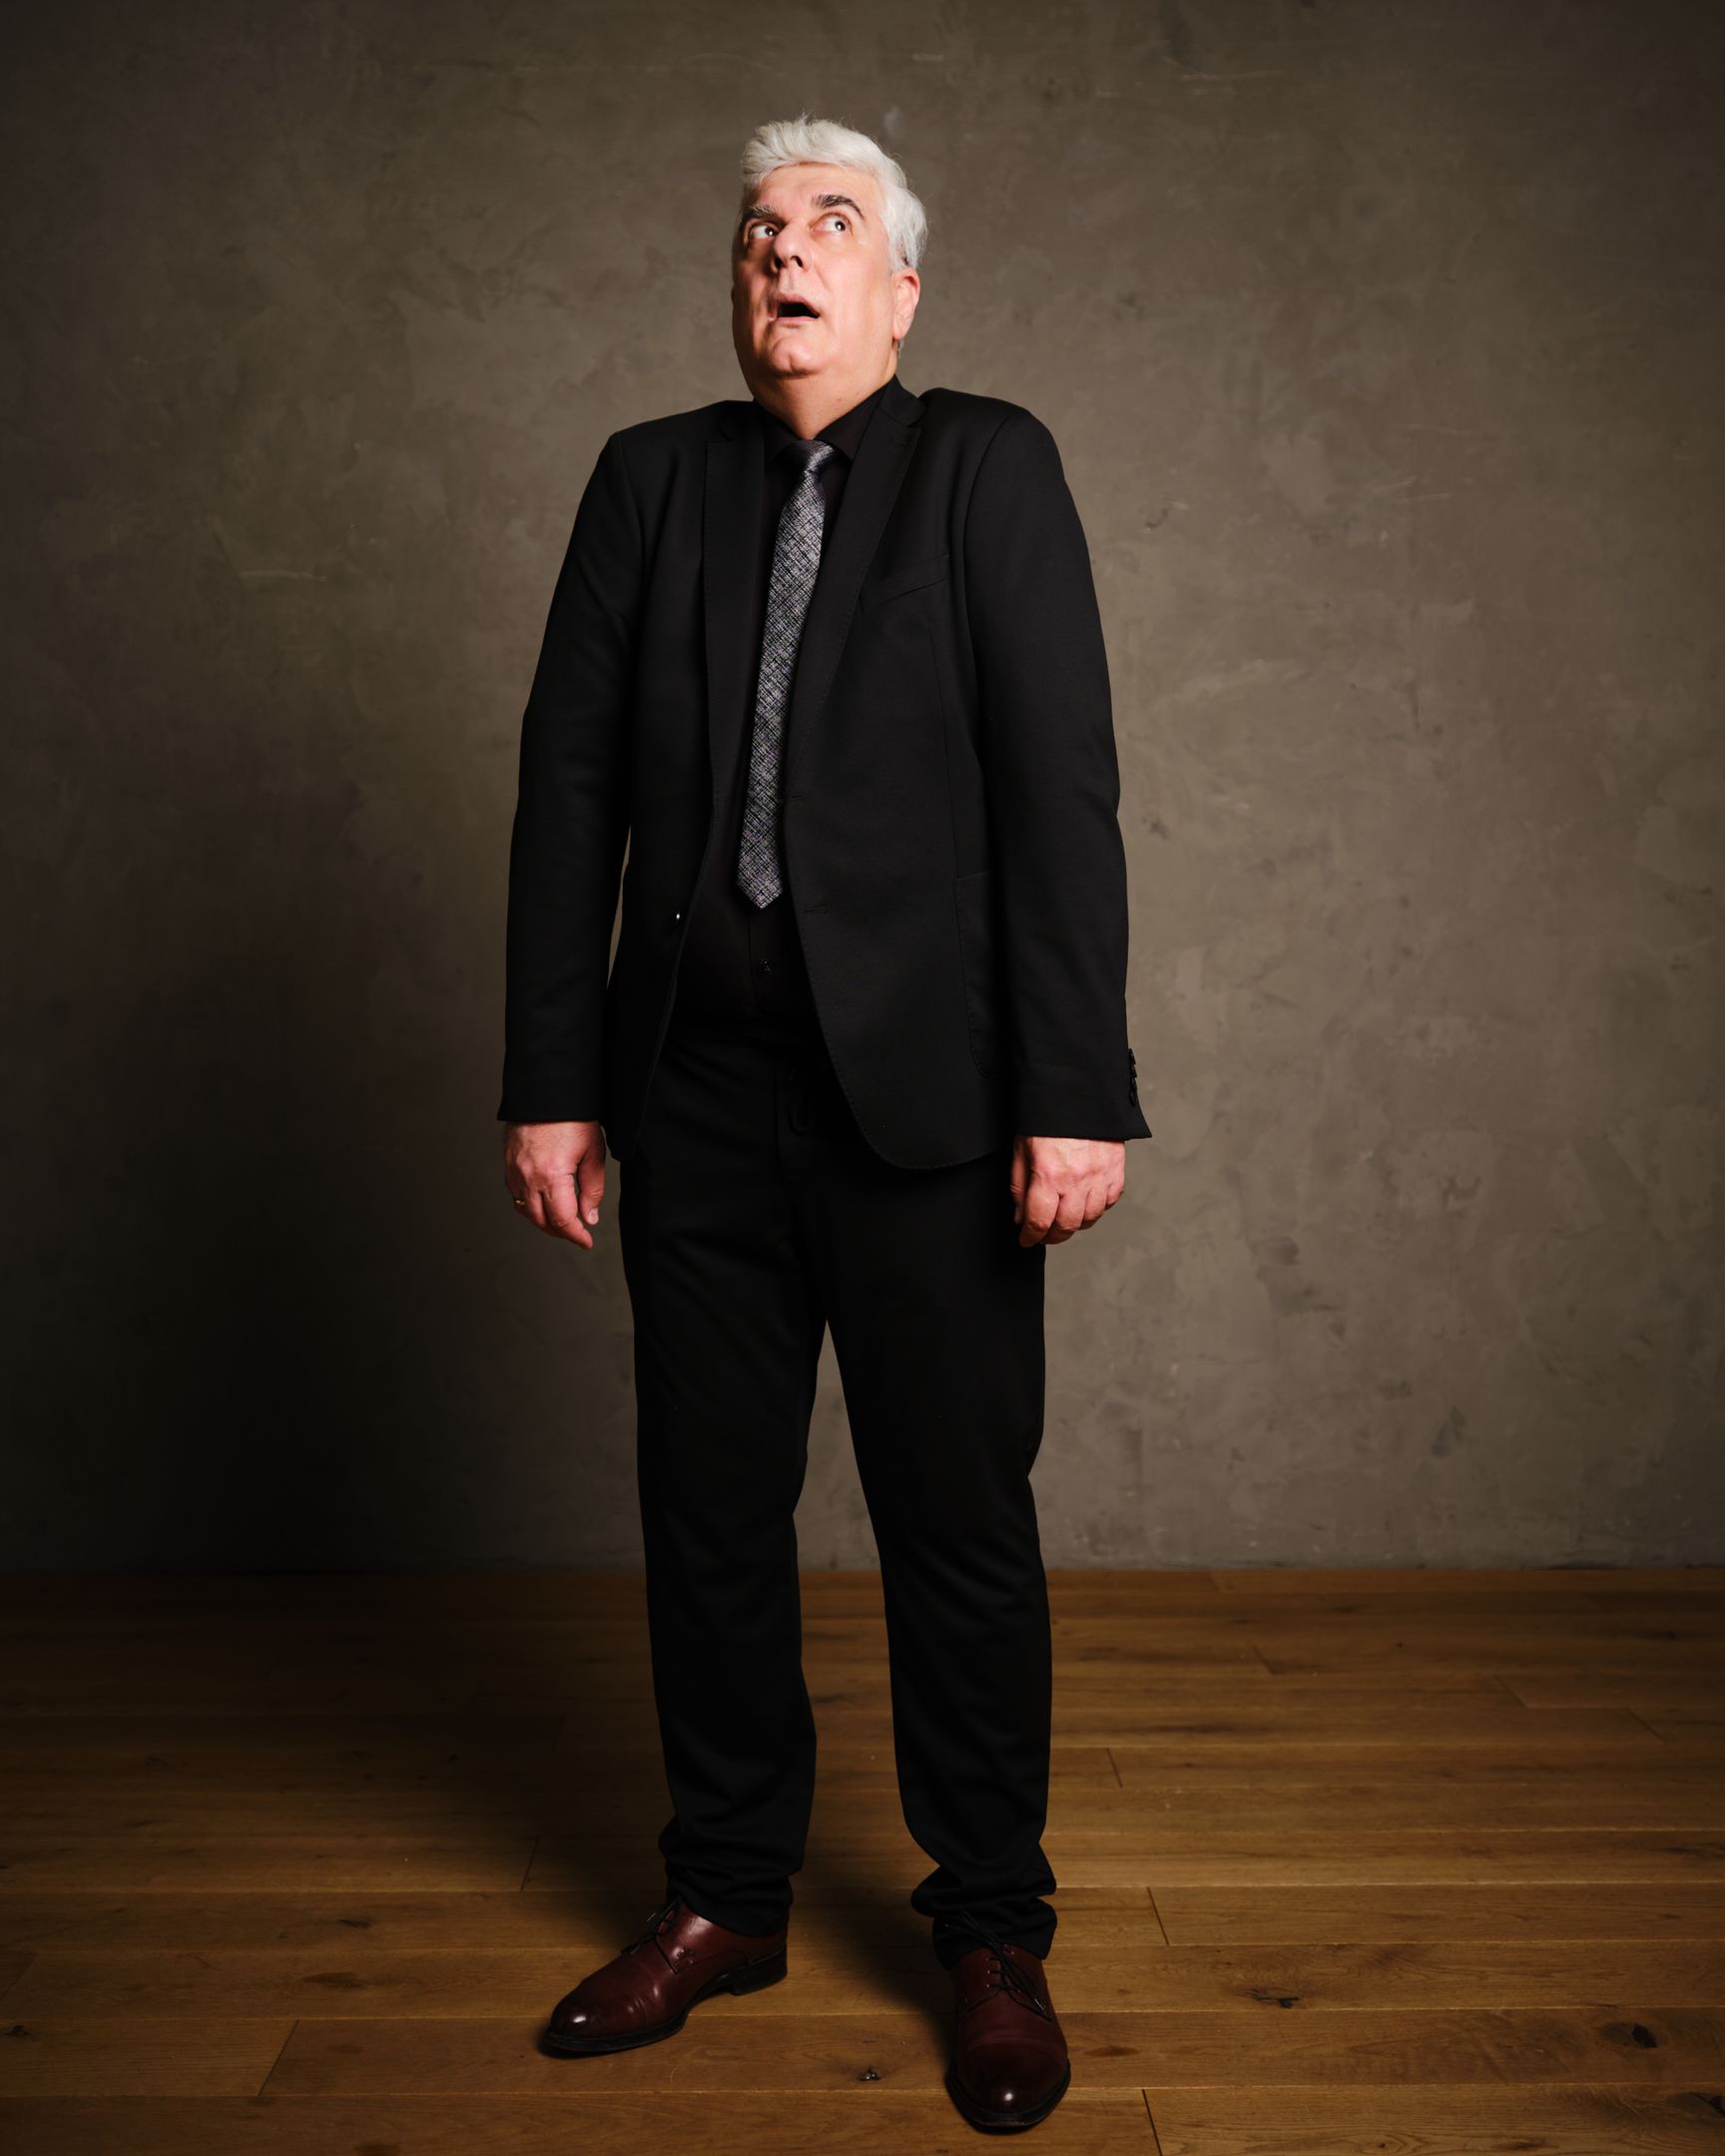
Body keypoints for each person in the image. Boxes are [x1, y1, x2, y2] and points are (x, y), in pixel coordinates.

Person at [498, 110, 1151, 2133]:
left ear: (902, 290)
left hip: (931, 1109)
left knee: (958, 1524)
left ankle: (992, 1931)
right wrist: (553, 1079)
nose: (782, 251)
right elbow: (566, 792)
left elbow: (1060, 791)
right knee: (706, 1516)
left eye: (831, 224)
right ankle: (724, 1895)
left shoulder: (988, 468)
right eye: (758, 228)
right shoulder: (649, 480)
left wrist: (1075, 1091)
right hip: (694, 1095)